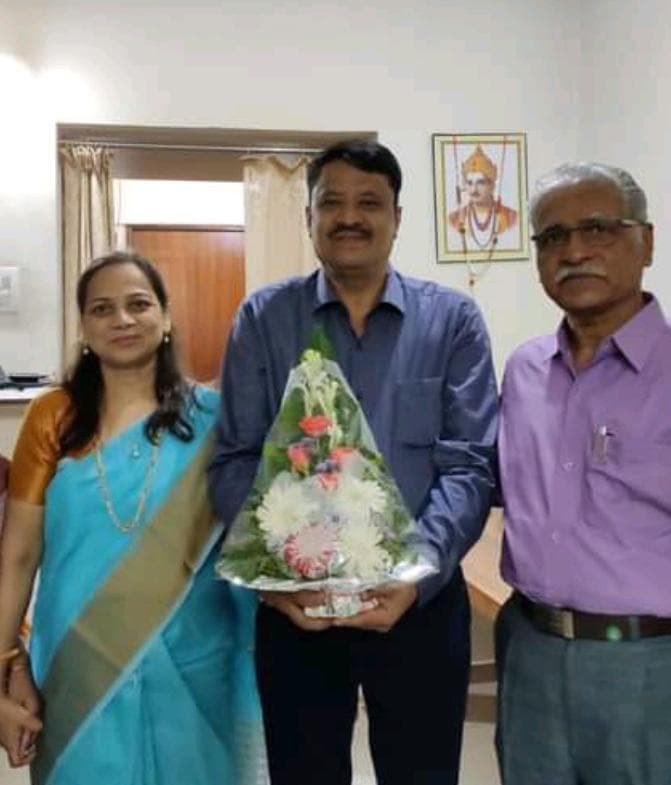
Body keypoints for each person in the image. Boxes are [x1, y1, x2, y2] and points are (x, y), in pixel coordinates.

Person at [209, 140, 498, 785]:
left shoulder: (452, 321)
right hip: (299, 609)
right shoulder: (263, 318)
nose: (349, 217)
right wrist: (279, 576)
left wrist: (416, 574)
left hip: (419, 608)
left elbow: (469, 465)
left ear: (397, 217)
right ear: (308, 216)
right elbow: (234, 459)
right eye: (331, 202)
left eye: (369, 202)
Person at [0, 252, 266, 784]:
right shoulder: (52, 418)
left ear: (165, 318)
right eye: (102, 309)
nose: (122, 319)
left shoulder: (216, 421)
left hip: (195, 658)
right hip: (77, 661)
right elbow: (19, 554)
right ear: (84, 327)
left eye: (138, 304)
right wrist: (6, 664)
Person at [496, 162, 670, 785]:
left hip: (649, 667)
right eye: (553, 237)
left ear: (645, 242)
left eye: (598, 228)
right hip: (531, 652)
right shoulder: (523, 372)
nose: (573, 251)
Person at [448, 145, 518, 249]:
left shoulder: (510, 217)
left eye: (480, 182)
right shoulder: (454, 218)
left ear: (492, 185)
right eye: (470, 183)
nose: (474, 189)